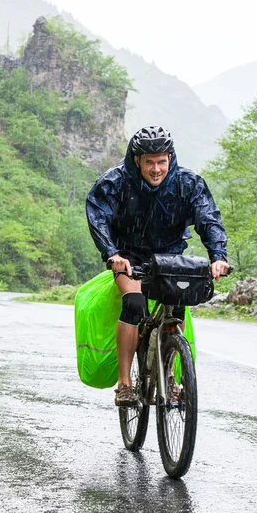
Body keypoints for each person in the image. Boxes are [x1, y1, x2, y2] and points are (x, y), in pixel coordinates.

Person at [86, 125, 229, 406]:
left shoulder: (188, 183)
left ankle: (171, 378)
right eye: (149, 162)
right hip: (129, 255)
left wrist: (218, 256)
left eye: (161, 161)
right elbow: (98, 216)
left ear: (170, 159)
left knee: (175, 311)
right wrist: (112, 253)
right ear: (137, 159)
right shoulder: (115, 182)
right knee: (135, 303)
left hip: (170, 257)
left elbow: (208, 218)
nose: (156, 169)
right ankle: (125, 383)